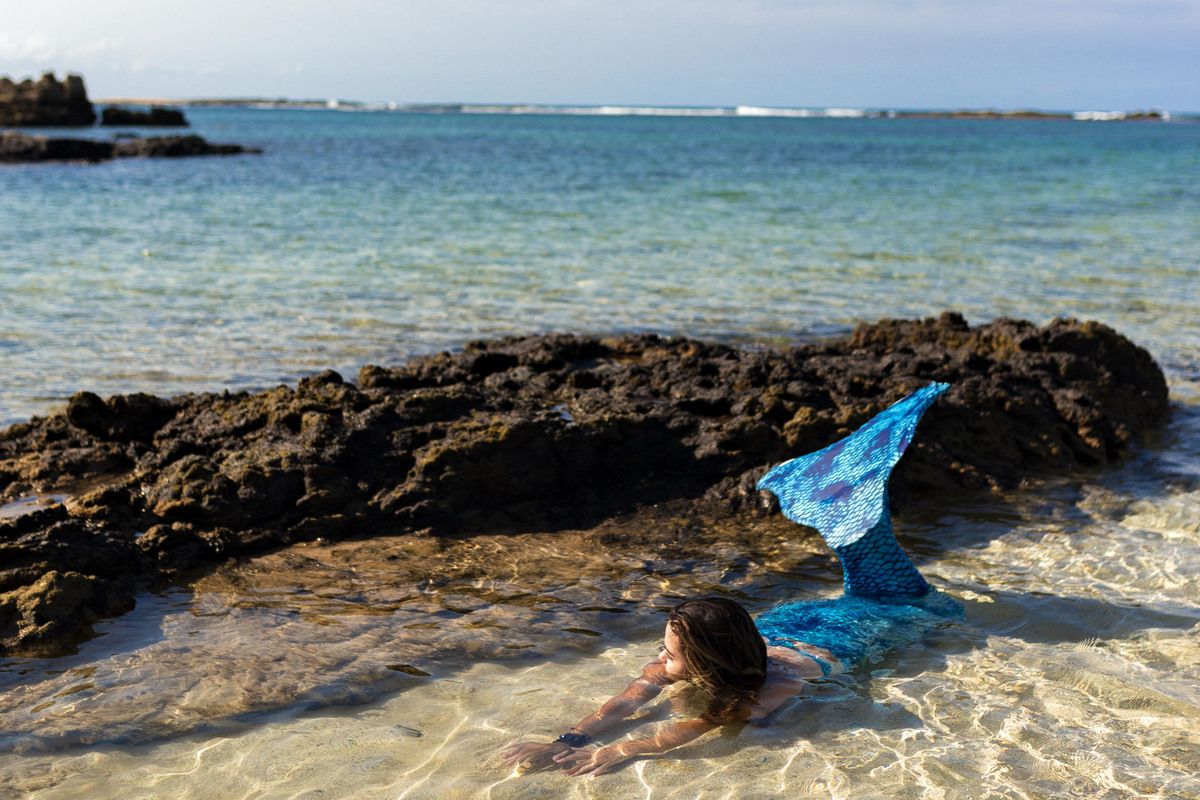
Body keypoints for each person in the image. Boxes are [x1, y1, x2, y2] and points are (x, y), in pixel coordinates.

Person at [501, 383, 962, 777]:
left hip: (859, 632)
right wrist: (569, 738)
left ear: (706, 658)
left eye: (671, 652)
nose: (660, 656)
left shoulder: (775, 685)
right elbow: (626, 702)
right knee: (868, 576)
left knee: (920, 606)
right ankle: (853, 501)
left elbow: (696, 727)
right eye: (666, 645)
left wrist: (620, 751)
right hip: (794, 625)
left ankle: (860, 498)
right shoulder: (688, 659)